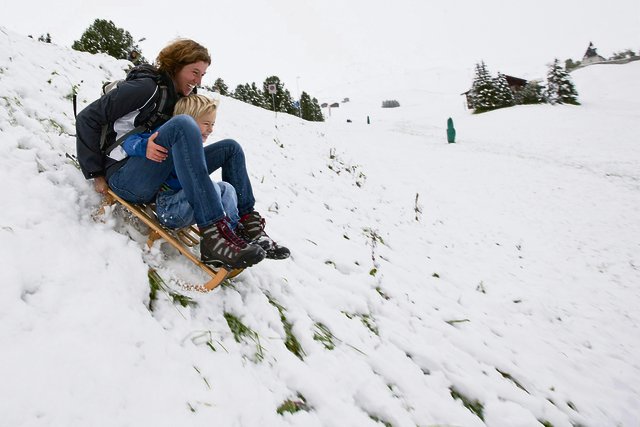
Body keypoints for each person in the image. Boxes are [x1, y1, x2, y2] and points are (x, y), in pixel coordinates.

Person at [76, 39, 289, 269]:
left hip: (157, 174)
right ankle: (213, 235)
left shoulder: (180, 97)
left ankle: (248, 225)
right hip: (124, 174)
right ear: (176, 66)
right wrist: (95, 172)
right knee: (184, 124)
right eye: (194, 72)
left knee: (230, 148)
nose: (198, 81)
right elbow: (88, 118)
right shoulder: (146, 89)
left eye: (203, 74)